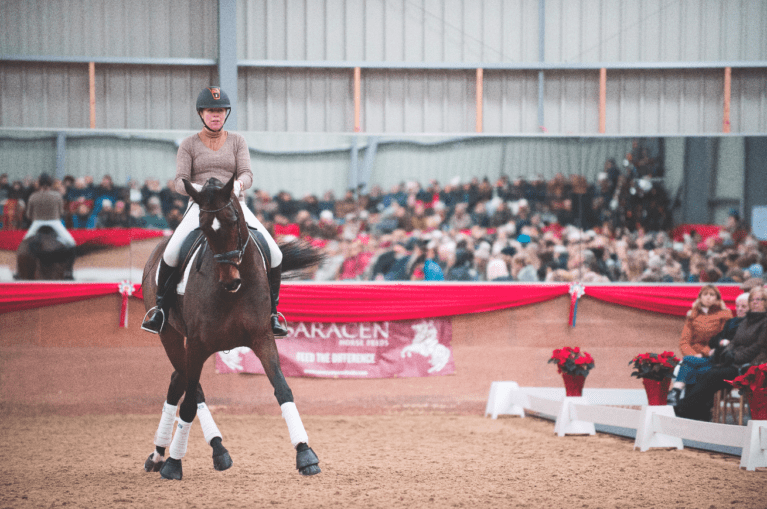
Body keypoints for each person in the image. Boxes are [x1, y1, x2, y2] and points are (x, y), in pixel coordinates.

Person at [142, 87, 287, 337]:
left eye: (220, 111)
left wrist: (237, 186)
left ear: (225, 114)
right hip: (201, 205)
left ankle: (273, 313)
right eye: (211, 111)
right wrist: (202, 191)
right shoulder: (188, 144)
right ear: (202, 113)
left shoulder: (237, 141)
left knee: (274, 253)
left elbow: (247, 174)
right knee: (172, 251)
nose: (216, 115)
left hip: (234, 204)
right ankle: (160, 309)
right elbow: (180, 181)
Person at [676, 286, 767, 421]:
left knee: (712, 375)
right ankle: (698, 412)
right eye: (752, 299)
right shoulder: (745, 321)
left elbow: (758, 347)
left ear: (765, 302)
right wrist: (728, 352)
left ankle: (684, 408)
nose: (755, 302)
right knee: (704, 373)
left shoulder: (764, 322)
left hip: (750, 365)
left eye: (759, 299)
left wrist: (735, 356)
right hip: (733, 362)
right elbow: (734, 342)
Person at [668, 291, 747, 406]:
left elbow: (735, 343)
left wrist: (719, 345)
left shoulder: (742, 323)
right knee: (688, 360)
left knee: (695, 370)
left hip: (725, 361)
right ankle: (677, 394)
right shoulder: (731, 321)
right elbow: (714, 340)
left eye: (743, 307)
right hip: (713, 355)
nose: (739, 309)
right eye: (738, 306)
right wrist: (720, 343)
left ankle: (684, 401)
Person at [22, 173, 77, 278]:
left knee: (24, 245)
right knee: (71, 243)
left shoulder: (33, 196)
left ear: (40, 183)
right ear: (50, 183)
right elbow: (61, 212)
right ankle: (69, 271)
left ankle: (18, 271)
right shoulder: (57, 195)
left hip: (37, 223)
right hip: (54, 222)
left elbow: (29, 215)